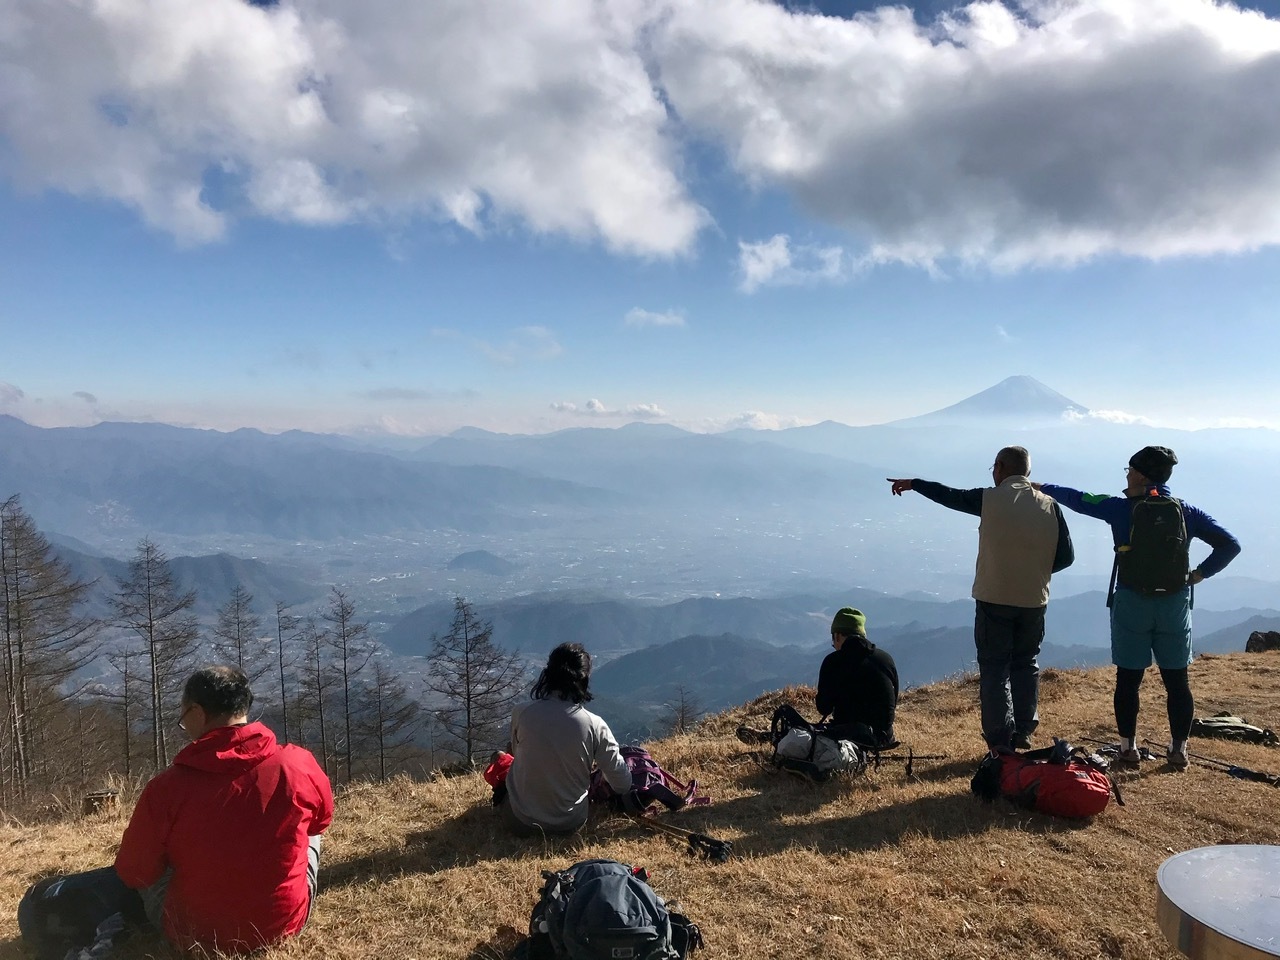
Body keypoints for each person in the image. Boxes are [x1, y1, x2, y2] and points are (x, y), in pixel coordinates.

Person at [1036, 445, 1240, 770]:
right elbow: (1231, 544)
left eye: (1129, 470)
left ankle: (1128, 750)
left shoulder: (1120, 509)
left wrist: (1044, 488)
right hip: (1174, 603)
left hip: (1132, 600)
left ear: (1142, 476)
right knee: (1178, 682)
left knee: (1128, 680)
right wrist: (1198, 575)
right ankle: (1179, 752)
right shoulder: (1186, 511)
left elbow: (1081, 498)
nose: (1127, 475)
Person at [115, 666, 333, 954]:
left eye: (184, 719)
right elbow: (321, 821)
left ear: (196, 712)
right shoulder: (297, 765)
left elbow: (134, 872)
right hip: (281, 927)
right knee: (309, 832)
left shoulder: (166, 789)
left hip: (194, 934)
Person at [887, 446, 1074, 751]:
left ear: (1000, 467)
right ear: (1026, 472)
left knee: (994, 668)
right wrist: (1036, 570)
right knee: (1026, 663)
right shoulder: (1050, 506)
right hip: (1034, 599)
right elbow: (1066, 557)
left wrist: (915, 484)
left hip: (994, 597)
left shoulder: (990, 498)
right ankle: (1024, 731)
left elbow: (951, 495)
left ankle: (1000, 740)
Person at [499, 642, 633, 836]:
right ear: (584, 678)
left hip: (520, 821)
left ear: (548, 673)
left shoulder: (522, 712)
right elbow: (623, 784)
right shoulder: (595, 724)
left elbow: (516, 752)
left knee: (501, 754)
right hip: (570, 823)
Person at [816, 607, 899, 748]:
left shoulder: (833, 661)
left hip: (847, 738)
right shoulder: (886, 659)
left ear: (837, 636)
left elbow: (824, 708)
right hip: (884, 737)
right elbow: (894, 697)